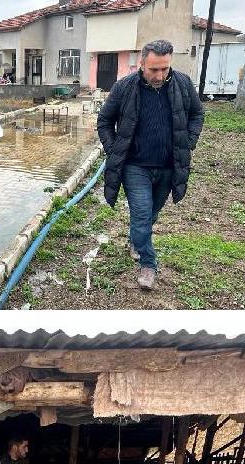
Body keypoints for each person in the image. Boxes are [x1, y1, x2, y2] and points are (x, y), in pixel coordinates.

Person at [97, 39, 205, 291]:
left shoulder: (183, 84)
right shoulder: (124, 87)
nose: (159, 75)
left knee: (152, 212)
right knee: (142, 212)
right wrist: (114, 150)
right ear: (142, 63)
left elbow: (197, 114)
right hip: (135, 166)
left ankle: (136, 239)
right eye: (154, 69)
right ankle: (148, 264)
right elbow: (104, 120)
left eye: (164, 69)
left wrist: (189, 141)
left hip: (168, 165)